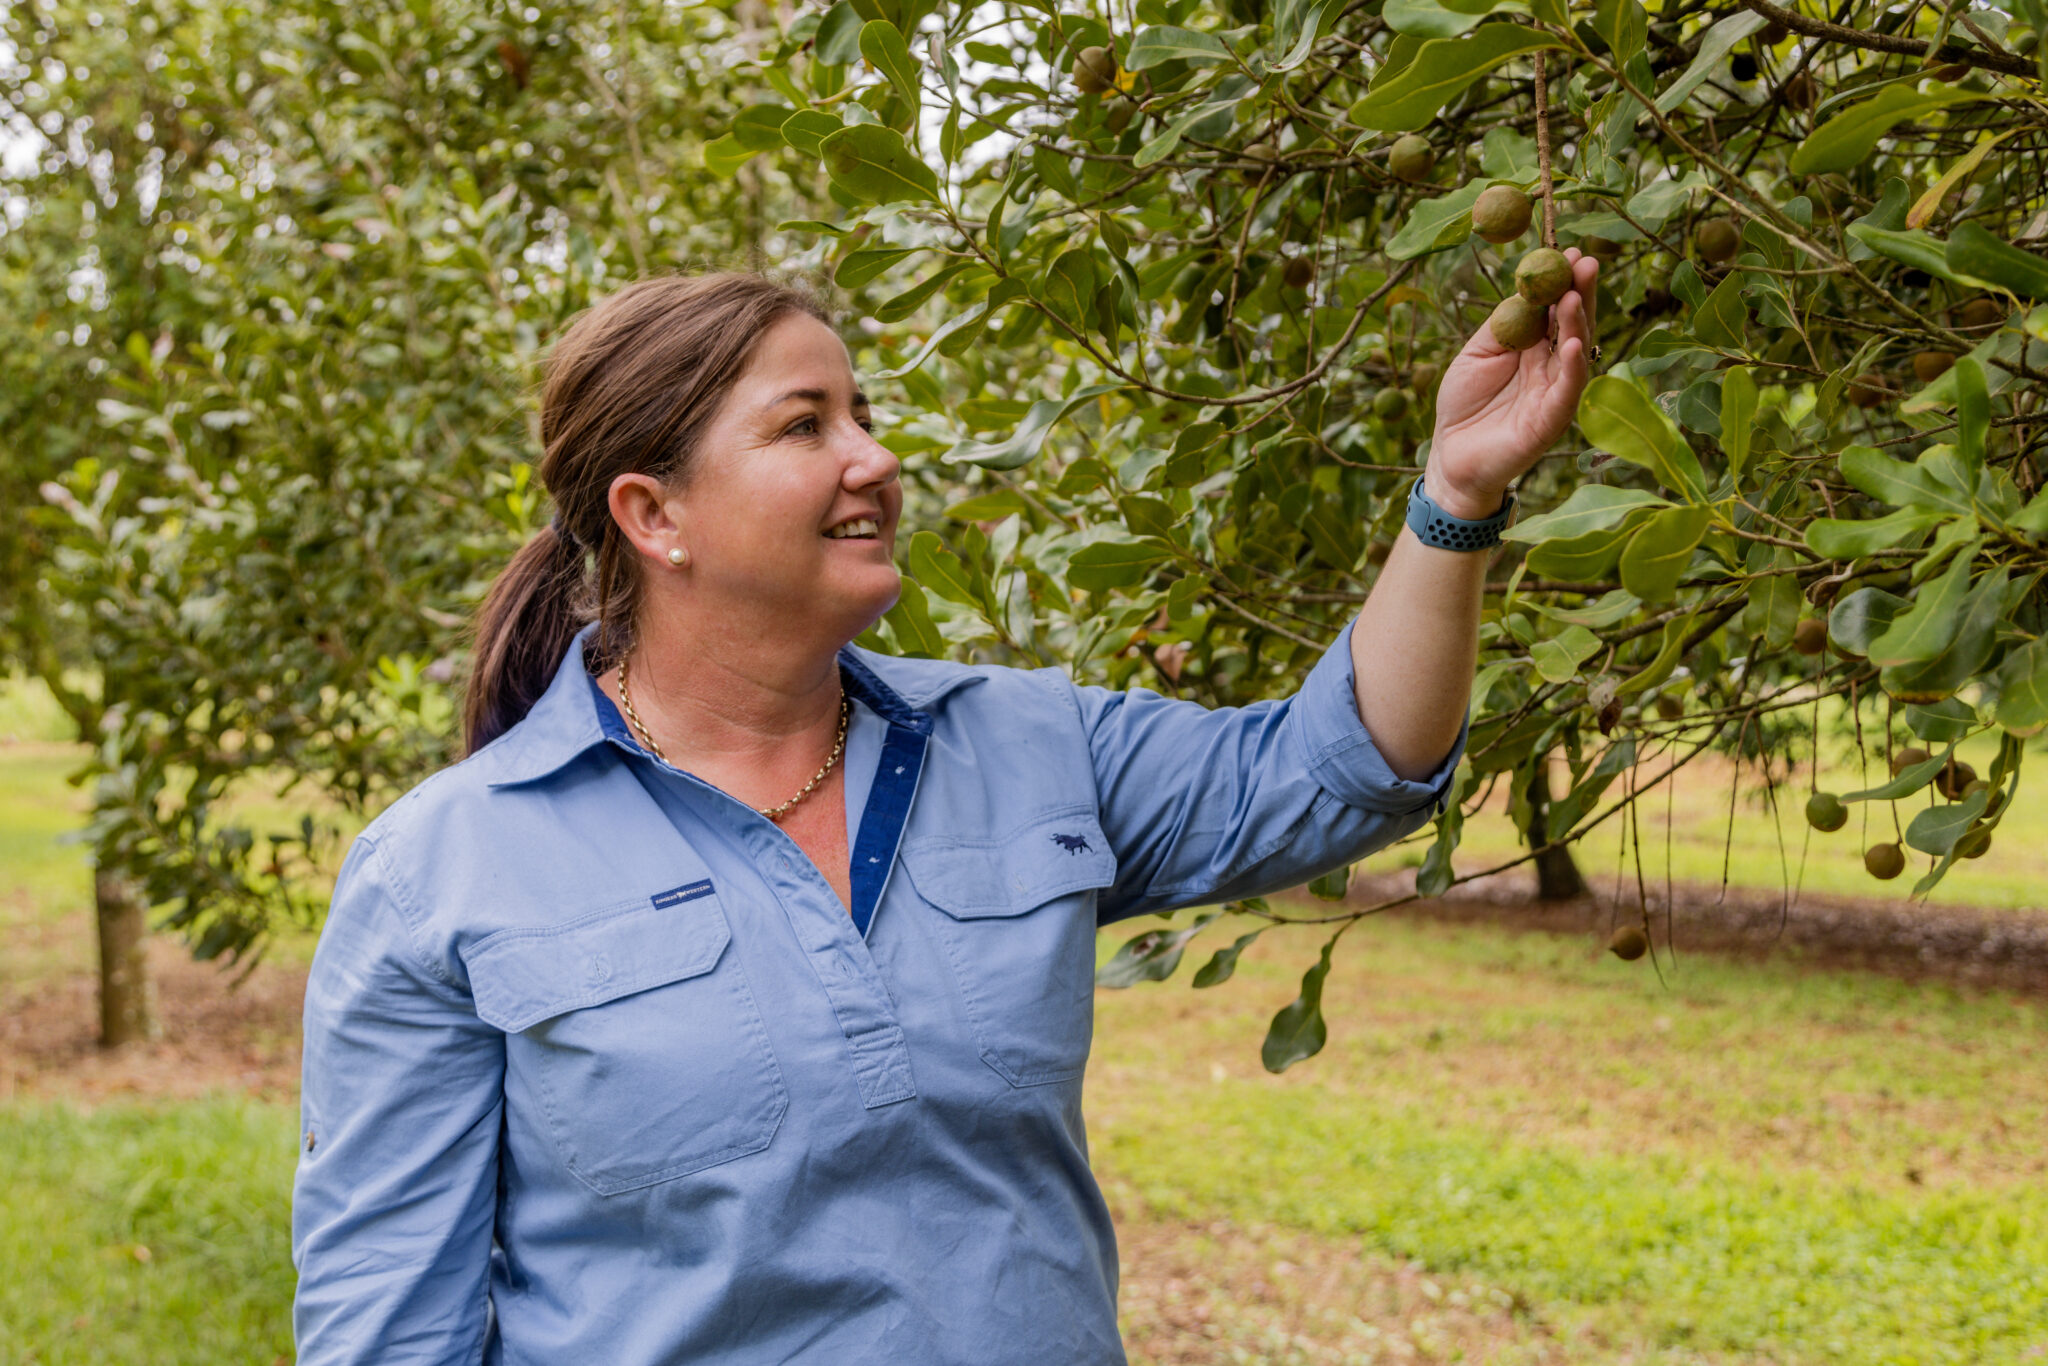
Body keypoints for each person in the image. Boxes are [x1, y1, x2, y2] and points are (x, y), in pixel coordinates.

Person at [292, 257, 1597, 1364]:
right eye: (806, 425)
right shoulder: (445, 869)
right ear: (654, 513)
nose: (875, 456)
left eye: (861, 411)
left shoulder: (1024, 741)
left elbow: (1344, 765)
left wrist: (1458, 491)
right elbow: (389, 1328)